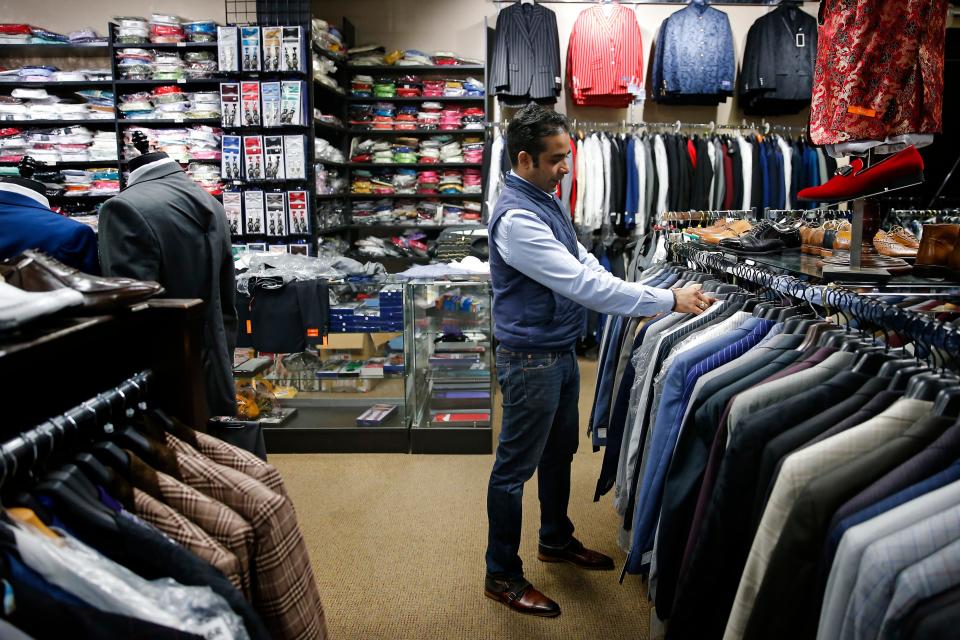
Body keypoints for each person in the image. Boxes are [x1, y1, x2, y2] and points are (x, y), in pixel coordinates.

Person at [484, 103, 713, 617]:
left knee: (558, 453)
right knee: (513, 469)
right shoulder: (517, 217)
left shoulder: (545, 197)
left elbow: (583, 259)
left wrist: (646, 291)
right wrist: (665, 301)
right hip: (530, 360)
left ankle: (554, 538)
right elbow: (583, 284)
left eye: (567, 155)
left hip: (555, 352)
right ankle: (500, 573)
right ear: (525, 159)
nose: (567, 166)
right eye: (557, 158)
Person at [98, 146, 237, 418]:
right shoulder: (209, 202)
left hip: (161, 377)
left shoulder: (124, 207)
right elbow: (226, 302)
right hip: (212, 365)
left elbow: (130, 309)